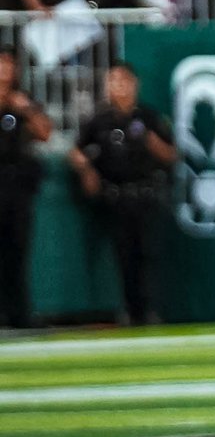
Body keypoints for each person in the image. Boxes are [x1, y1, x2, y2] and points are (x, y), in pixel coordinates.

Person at [70, 62, 177, 326]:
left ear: (134, 84)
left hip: (146, 195)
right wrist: (87, 170)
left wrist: (151, 142)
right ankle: (129, 310)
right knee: (124, 256)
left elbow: (171, 155)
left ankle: (150, 310)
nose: (119, 87)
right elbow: (76, 150)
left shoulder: (149, 118)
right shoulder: (99, 120)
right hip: (116, 197)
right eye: (114, 81)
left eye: (124, 81)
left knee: (148, 256)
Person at [0, 46, 52, 328]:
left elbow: (45, 133)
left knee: (17, 252)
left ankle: (19, 313)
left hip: (18, 187)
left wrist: (26, 109)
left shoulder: (24, 101)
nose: (5, 71)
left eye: (10, 65)